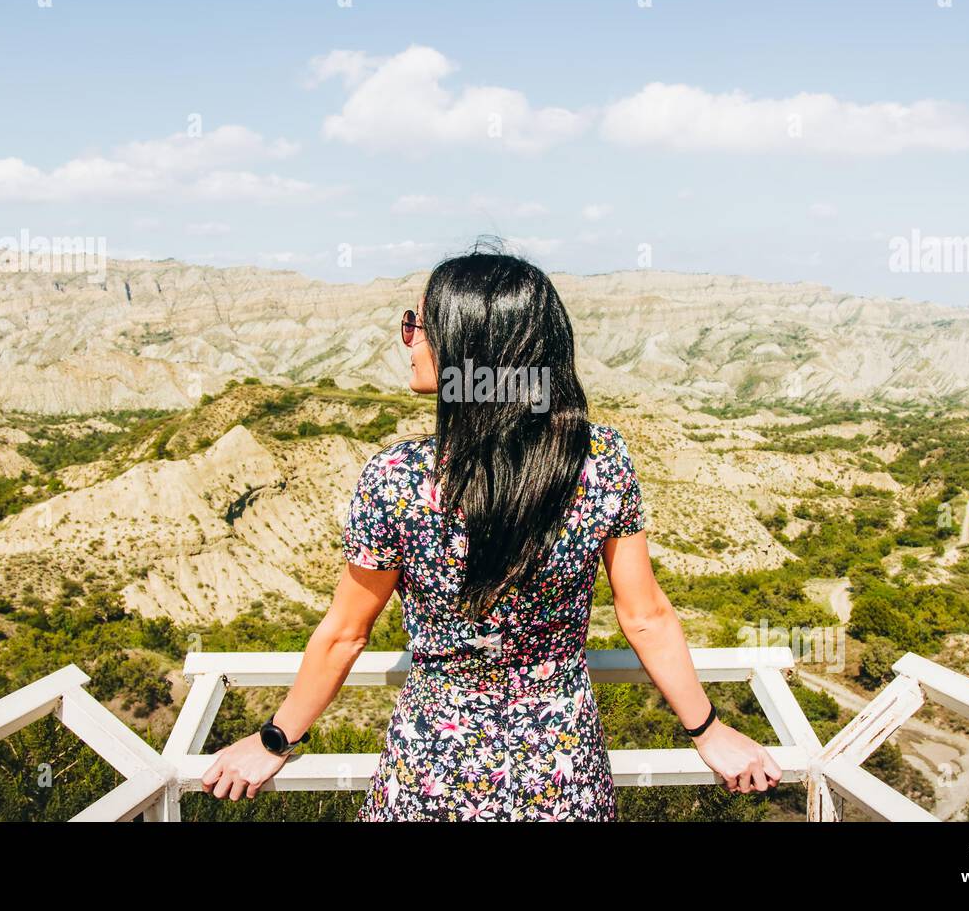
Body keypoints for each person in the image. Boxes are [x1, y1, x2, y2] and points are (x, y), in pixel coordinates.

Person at [202, 244, 781, 820]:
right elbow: (645, 616)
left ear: (468, 350)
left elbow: (345, 636)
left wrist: (274, 739)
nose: (409, 340)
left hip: (432, 773)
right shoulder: (600, 461)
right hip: (561, 775)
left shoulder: (397, 480)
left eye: (419, 325)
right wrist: (706, 729)